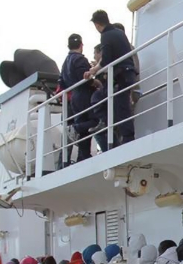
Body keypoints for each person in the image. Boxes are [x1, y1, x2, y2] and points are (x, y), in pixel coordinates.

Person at [85, 10, 137, 146]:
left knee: (116, 106)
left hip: (121, 75)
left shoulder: (106, 35)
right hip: (128, 73)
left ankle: (126, 138)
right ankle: (121, 135)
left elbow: (107, 59)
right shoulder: (119, 33)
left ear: (96, 24)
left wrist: (94, 70)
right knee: (121, 106)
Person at [58, 33, 93, 167]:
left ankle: (83, 156)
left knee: (83, 123)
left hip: (74, 98)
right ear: (81, 45)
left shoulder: (65, 62)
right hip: (84, 95)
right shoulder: (79, 59)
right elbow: (86, 80)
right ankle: (83, 154)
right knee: (94, 122)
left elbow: (61, 83)